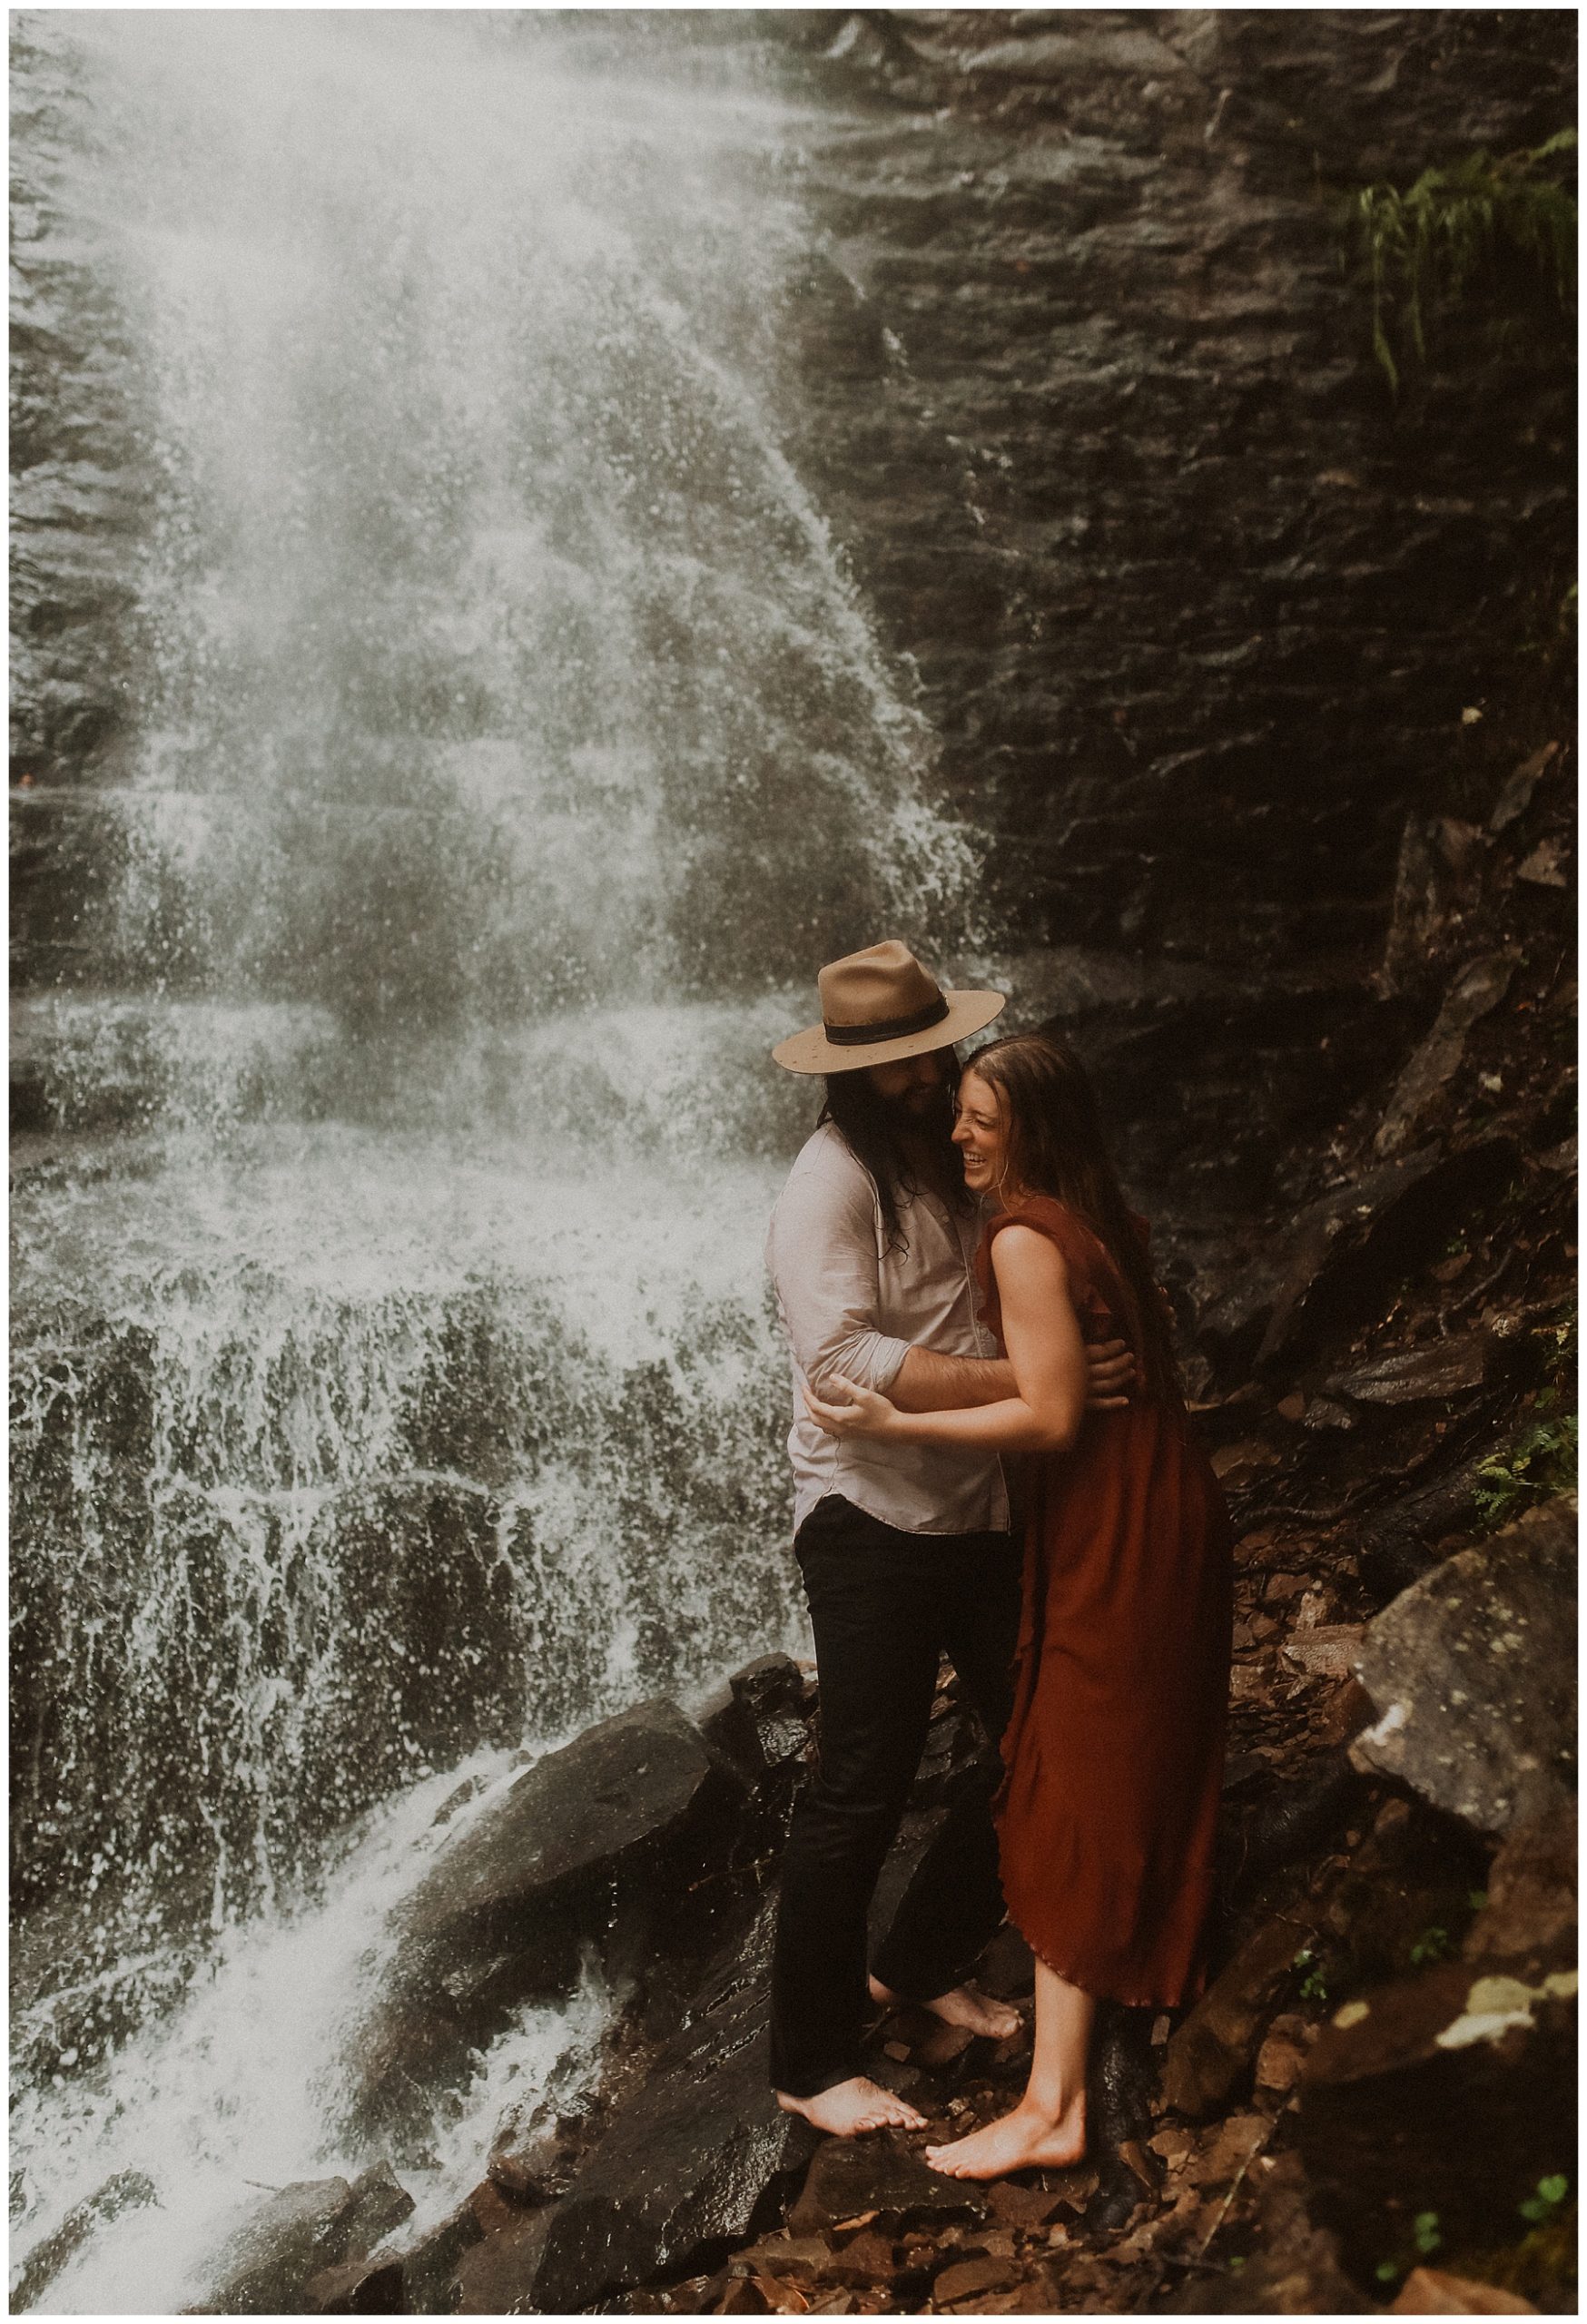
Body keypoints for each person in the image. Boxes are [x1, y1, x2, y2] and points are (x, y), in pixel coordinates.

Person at [806, 1029, 1233, 2178]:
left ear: (1027, 1134)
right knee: (1093, 1761)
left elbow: (1048, 1417)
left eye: (978, 1121)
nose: (954, 1127)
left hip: (1110, 1520)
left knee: (1068, 1780)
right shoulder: (1090, 1217)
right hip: (1149, 1506)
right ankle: (1061, 2047)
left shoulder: (1021, 1240)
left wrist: (898, 1424)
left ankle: (1054, 2107)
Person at [764, 943, 1135, 2140]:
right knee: (856, 1791)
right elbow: (840, 1362)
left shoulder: (967, 1150)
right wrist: (1032, 1376)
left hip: (978, 1503)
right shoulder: (831, 1182)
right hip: (865, 1515)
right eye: (892, 1066)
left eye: (929, 1053)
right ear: (848, 1077)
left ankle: (919, 1960)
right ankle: (809, 2063)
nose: (922, 1077)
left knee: (1037, 1739)